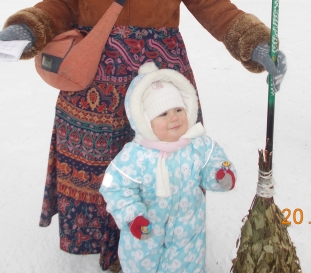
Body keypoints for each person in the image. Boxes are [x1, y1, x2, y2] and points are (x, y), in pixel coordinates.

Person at [0, 0, 286, 271]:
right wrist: (27, 29)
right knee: (99, 164)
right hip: (95, 85)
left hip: (162, 84)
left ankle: (168, 236)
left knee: (162, 158)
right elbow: (56, 5)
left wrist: (255, 43)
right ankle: (109, 242)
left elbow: (216, 7)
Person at [99, 62, 236, 273]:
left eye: (179, 109)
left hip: (188, 239)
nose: (174, 118)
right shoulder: (135, 157)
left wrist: (221, 174)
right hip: (144, 242)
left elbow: (215, 159)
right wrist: (133, 216)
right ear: (145, 121)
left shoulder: (197, 144)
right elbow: (114, 187)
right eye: (163, 114)